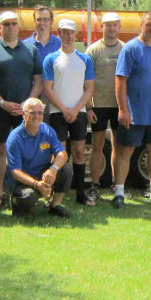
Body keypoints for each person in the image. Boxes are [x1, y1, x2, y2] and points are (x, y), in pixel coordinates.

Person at [0, 11, 43, 211]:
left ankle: (24, 191)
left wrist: (27, 105)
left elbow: (39, 80)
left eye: (14, 23)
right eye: (6, 24)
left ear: (18, 26)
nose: (11, 27)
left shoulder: (30, 49)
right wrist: (1, 102)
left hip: (25, 112)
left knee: (26, 149)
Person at [113, 12, 151, 208]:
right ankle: (119, 193)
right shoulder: (130, 49)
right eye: (148, 25)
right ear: (141, 26)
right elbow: (120, 79)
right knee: (125, 151)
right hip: (134, 112)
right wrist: (123, 109)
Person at [42, 19, 95, 206]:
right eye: (64, 32)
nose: (68, 36)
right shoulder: (51, 59)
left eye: (71, 32)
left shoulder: (85, 59)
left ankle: (80, 194)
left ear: (76, 35)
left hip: (79, 113)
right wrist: (64, 109)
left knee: (79, 153)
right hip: (58, 113)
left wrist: (76, 109)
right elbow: (47, 88)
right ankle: (55, 195)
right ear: (59, 34)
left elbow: (89, 88)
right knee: (59, 155)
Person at [6, 98, 73, 218]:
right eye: (32, 113)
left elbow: (62, 154)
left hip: (43, 175)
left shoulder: (47, 130)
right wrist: (37, 184)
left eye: (40, 113)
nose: (36, 116)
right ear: (24, 114)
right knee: (28, 197)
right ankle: (16, 202)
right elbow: (15, 172)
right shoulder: (14, 138)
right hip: (23, 182)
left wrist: (53, 170)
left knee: (66, 169)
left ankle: (55, 205)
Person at [85, 12, 125, 201]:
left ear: (119, 27)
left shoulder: (125, 49)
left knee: (118, 146)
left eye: (115, 25)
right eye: (108, 25)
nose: (111, 28)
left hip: (119, 105)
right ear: (102, 27)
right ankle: (94, 185)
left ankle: (117, 185)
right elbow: (85, 81)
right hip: (99, 105)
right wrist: (88, 107)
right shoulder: (93, 51)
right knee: (97, 146)